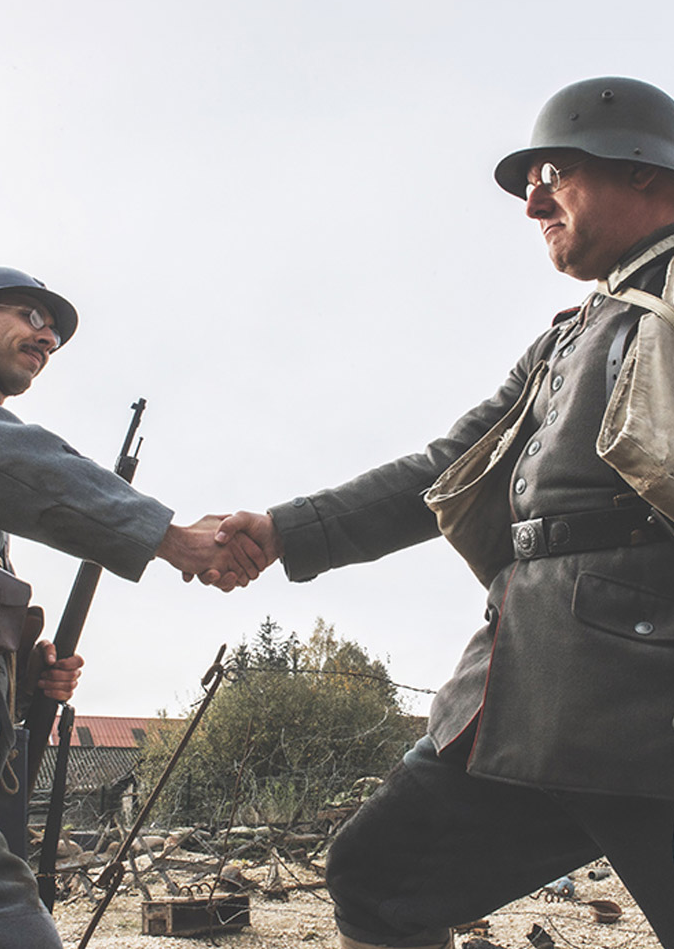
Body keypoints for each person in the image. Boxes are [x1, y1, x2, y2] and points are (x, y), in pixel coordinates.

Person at [214, 77, 674, 948]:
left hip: (654, 707)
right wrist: (280, 531)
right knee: (380, 877)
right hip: (532, 692)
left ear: (646, 171)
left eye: (554, 171)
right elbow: (446, 469)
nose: (532, 198)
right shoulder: (568, 335)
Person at [0, 266, 265, 948]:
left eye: (55, 328)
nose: (48, 335)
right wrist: (170, 537)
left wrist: (23, 675)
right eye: (30, 315)